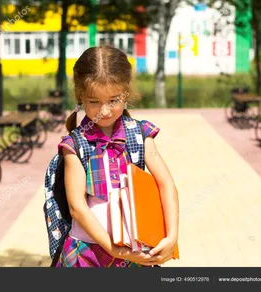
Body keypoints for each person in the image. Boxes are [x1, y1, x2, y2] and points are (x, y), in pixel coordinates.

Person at [56, 45, 179, 267]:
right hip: (86, 255)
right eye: (94, 101)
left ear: (126, 93)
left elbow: (166, 184)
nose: (104, 110)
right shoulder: (74, 145)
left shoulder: (141, 135)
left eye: (113, 100)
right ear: (80, 95)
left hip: (138, 252)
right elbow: (77, 207)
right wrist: (115, 251)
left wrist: (171, 237)